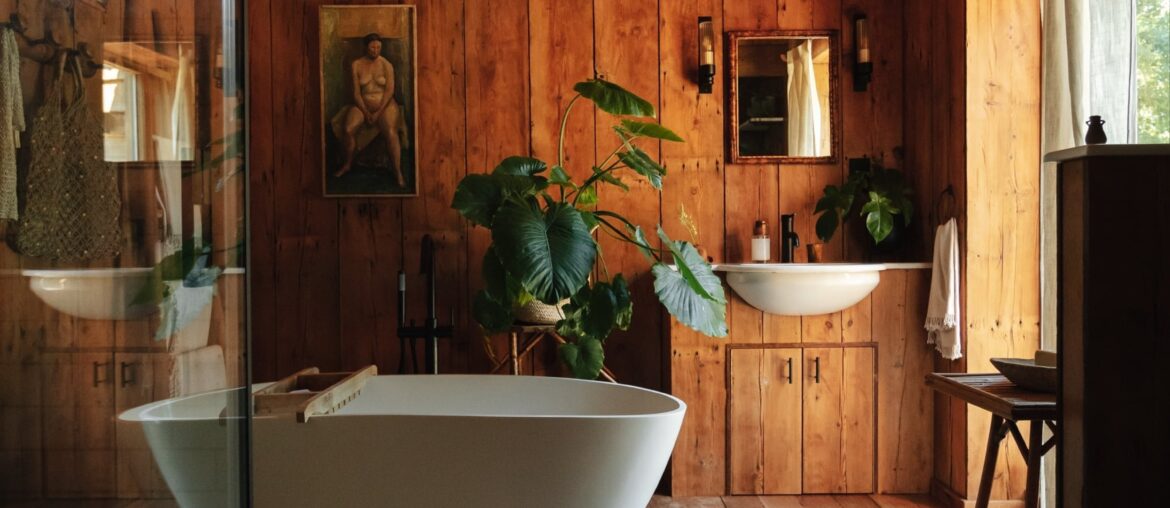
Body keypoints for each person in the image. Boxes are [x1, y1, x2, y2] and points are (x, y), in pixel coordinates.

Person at [332, 33, 406, 186]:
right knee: (348, 128)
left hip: (385, 105)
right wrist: (366, 112)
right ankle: (347, 164)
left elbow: (389, 91)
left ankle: (397, 171)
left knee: (391, 132)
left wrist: (378, 113)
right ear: (366, 47)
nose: (375, 50)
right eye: (372, 47)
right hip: (363, 104)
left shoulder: (387, 65)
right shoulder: (356, 65)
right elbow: (356, 93)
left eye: (378, 47)